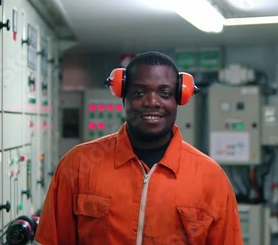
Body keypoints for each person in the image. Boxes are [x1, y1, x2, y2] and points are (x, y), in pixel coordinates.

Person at [35, 51, 243, 245]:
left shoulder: (211, 177)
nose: (152, 102)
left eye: (165, 92)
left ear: (179, 98)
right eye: (138, 92)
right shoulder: (78, 164)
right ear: (123, 96)